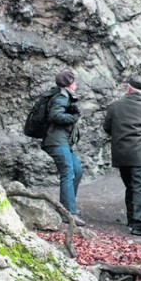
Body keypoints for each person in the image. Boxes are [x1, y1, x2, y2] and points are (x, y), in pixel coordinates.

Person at [103, 75, 141, 237]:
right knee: (139, 188)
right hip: (138, 154)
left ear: (128, 88)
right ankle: (139, 224)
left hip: (120, 153)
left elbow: (107, 127)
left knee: (130, 186)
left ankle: (131, 219)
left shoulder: (114, 106)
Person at [42, 69, 85, 226]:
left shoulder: (62, 94)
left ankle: (66, 207)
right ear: (70, 84)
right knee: (68, 173)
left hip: (63, 141)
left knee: (77, 171)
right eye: (74, 81)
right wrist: (73, 117)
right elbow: (56, 115)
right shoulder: (62, 96)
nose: (76, 84)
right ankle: (70, 213)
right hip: (56, 141)